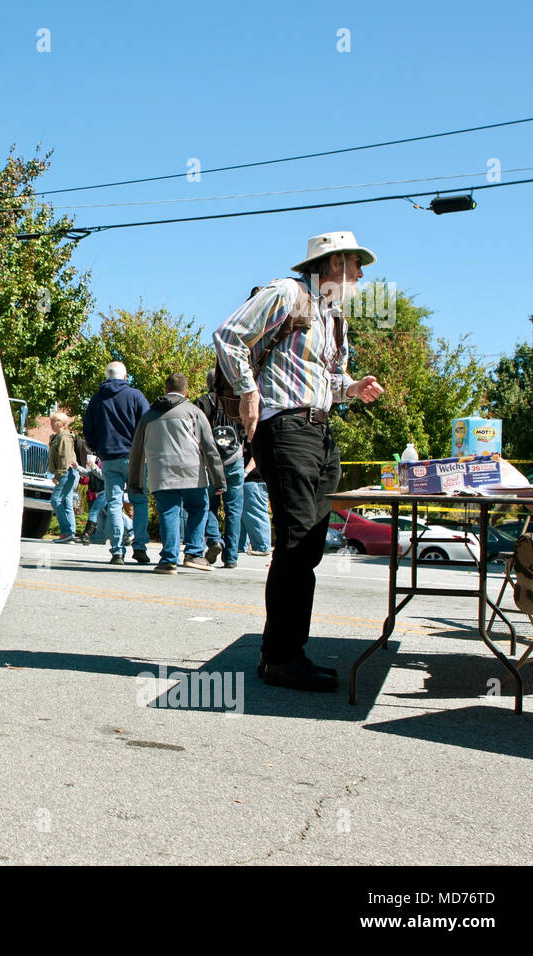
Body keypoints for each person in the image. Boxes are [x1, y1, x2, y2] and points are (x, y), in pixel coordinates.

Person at [214, 231, 385, 692]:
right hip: (286, 427)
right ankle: (282, 657)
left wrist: (353, 388)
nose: (361, 275)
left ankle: (283, 652)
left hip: (320, 431)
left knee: (309, 545)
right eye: (354, 265)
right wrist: (249, 391)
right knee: (294, 543)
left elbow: (330, 378)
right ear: (329, 266)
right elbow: (228, 336)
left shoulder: (336, 317)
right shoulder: (287, 293)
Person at [128, 372, 225, 574]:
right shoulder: (193, 412)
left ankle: (168, 560)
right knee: (198, 508)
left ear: (165, 389)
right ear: (186, 391)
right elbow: (209, 447)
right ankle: (194, 554)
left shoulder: (148, 416)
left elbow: (137, 452)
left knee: (168, 513)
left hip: (160, 473)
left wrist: (136, 483)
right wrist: (219, 480)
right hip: (192, 471)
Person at [83, 361, 151, 565]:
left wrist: (97, 449)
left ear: (106, 376)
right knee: (139, 501)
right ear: (125, 377)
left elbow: (89, 429)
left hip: (109, 458)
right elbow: (148, 422)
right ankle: (139, 547)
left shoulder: (97, 399)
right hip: (134, 457)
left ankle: (117, 551)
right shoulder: (135, 395)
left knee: (114, 503)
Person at [195, 369, 245, 568]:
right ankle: (231, 557)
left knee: (209, 504)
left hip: (210, 463)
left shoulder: (202, 403)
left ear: (208, 383)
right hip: (234, 460)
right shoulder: (237, 401)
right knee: (234, 509)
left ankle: (214, 539)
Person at [47, 412, 80, 543]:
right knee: (66, 502)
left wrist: (58, 476)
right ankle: (69, 533)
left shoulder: (64, 438)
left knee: (55, 500)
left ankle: (66, 531)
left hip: (66, 473)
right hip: (68, 473)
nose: (51, 424)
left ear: (60, 423)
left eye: (53, 421)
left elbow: (65, 459)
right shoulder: (58, 437)